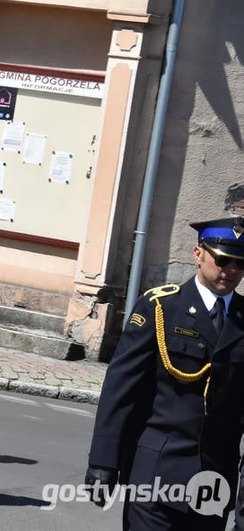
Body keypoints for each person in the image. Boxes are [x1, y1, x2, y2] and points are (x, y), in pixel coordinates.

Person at [85, 216, 244, 530]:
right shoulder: (161, 308)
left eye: (241, 264)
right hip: (156, 471)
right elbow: (121, 389)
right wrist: (103, 462)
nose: (231, 271)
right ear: (198, 254)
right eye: (223, 260)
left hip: (214, 482)